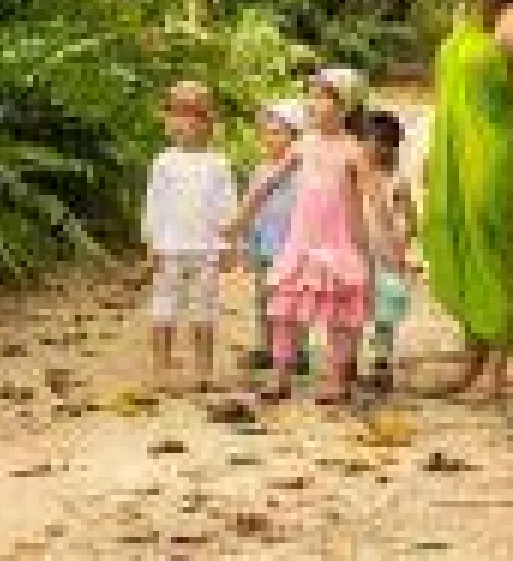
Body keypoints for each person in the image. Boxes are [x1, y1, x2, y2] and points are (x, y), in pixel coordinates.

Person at [225, 68, 398, 405]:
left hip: (339, 243)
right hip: (302, 242)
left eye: (322, 97)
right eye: (311, 96)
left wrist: (387, 244)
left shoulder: (353, 151)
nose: (313, 103)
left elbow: (375, 199)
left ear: (344, 106)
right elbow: (268, 182)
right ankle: (280, 374)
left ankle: (337, 377)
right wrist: (240, 219)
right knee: (284, 310)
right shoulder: (303, 145)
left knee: (340, 315)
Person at [421, 0, 513, 400]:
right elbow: (445, 91)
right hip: (452, 142)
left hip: (491, 145)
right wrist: (430, 149)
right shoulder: (463, 14)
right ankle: (471, 357)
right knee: (456, 237)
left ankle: (496, 368)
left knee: (491, 246)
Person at [143, 80, 237, 395]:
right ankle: (160, 368)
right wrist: (151, 243)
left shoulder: (219, 163)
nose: (187, 123)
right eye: (178, 114)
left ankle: (203, 369)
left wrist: (228, 246)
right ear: (168, 121)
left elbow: (228, 207)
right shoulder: (163, 161)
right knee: (163, 308)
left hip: (206, 249)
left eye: (196, 115)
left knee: (204, 309)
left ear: (209, 121)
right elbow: (153, 204)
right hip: (169, 248)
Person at [350, 109, 415, 396]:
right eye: (366, 141)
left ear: (391, 146)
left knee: (384, 312)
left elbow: (411, 220)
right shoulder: (353, 178)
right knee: (352, 307)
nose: (372, 148)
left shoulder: (396, 180)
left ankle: (381, 363)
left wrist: (401, 243)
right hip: (355, 253)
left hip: (386, 256)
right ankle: (348, 361)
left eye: (379, 142)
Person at [244, 99, 309, 375]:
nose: (270, 138)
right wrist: (248, 245)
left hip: (293, 247)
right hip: (264, 245)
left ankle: (299, 350)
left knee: (295, 298)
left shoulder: (304, 173)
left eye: (277, 132)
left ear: (295, 136)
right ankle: (267, 346)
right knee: (264, 298)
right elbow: (252, 210)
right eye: (267, 132)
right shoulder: (259, 171)